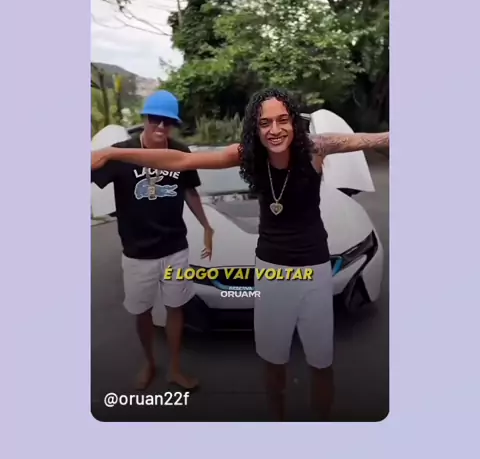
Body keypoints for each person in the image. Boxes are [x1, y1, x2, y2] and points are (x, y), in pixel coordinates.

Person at [92, 88, 389, 420]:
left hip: (316, 272)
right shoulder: (248, 154)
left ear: (293, 121)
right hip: (271, 272)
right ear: (255, 127)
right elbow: (180, 161)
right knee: (273, 362)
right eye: (265, 123)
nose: (274, 129)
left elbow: (366, 139)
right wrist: (114, 154)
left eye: (282, 120)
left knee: (321, 363)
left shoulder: (316, 147)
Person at [91, 90, 213, 392]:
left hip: (175, 248)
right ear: (145, 118)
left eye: (167, 122)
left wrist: (207, 226)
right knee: (142, 311)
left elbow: (190, 191)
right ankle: (149, 362)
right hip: (137, 252)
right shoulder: (121, 153)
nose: (160, 126)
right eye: (155, 119)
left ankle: (175, 368)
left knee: (175, 307)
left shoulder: (180, 152)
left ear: (174, 125)